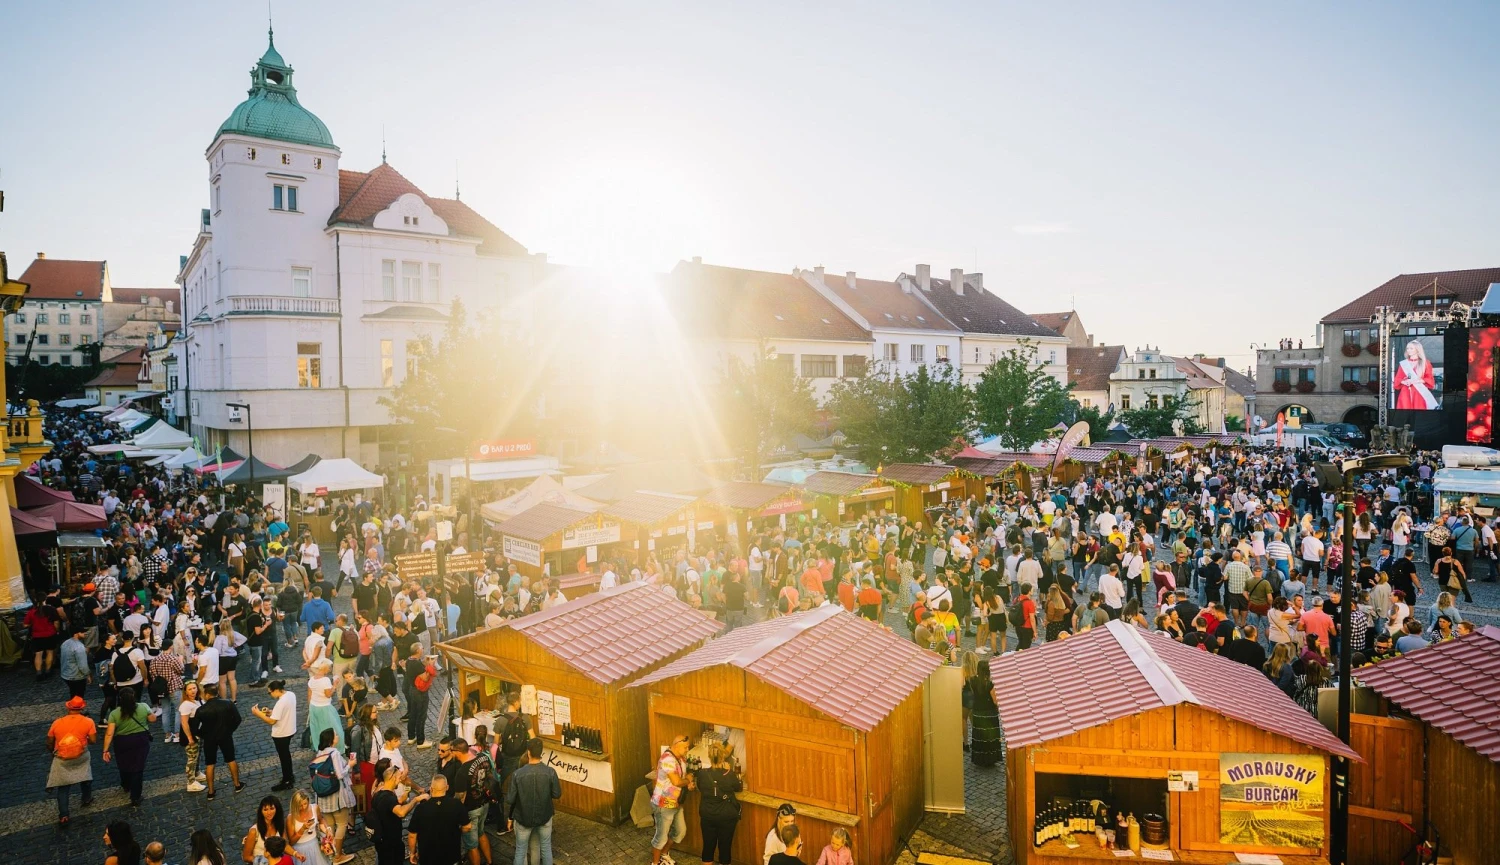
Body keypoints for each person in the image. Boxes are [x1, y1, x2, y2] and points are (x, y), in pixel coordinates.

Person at [506, 738, 561, 865]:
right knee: (546, 848)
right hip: (545, 816)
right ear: (541, 752)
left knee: (521, 850)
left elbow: (510, 799)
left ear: (528, 752)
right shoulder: (550, 772)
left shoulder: (517, 774)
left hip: (523, 818)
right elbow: (557, 794)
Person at [102, 686, 159, 807]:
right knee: (138, 767)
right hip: (140, 740)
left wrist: (105, 750)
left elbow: (109, 733)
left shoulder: (114, 713)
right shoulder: (143, 706)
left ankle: (126, 784)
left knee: (123, 763)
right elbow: (153, 719)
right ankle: (135, 797)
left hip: (122, 741)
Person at [46, 695, 97, 826]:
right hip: (81, 755)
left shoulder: (57, 722)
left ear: (68, 707)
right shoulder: (88, 721)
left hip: (62, 757)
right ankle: (86, 798)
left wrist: (52, 752)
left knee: (63, 787)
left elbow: (50, 741)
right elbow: (93, 740)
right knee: (85, 777)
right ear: (82, 708)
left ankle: (63, 815)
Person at [311, 727, 357, 864]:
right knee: (342, 824)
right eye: (336, 734)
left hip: (323, 798)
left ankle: (332, 853)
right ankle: (338, 856)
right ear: (331, 739)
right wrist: (350, 764)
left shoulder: (319, 753)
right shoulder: (334, 753)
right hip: (336, 796)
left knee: (329, 826)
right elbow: (339, 774)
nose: (338, 736)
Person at [694, 741, 742, 865]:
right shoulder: (729, 774)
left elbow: (699, 787)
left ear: (709, 757)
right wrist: (729, 770)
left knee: (708, 846)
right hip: (726, 816)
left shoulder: (702, 774)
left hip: (707, 815)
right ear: (723, 757)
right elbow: (738, 787)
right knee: (725, 848)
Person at [194, 682, 245, 799]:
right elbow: (237, 719)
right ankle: (237, 784)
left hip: (209, 739)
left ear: (207, 695)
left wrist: (203, 734)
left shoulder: (201, 710)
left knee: (210, 764)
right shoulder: (228, 704)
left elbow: (195, 728)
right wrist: (229, 730)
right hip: (225, 736)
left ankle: (211, 791)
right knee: (231, 759)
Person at [371, 759, 427, 865]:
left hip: (382, 841)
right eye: (399, 777)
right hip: (390, 843)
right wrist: (416, 800)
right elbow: (401, 812)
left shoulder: (378, 794)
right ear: (393, 778)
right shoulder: (388, 798)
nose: (400, 780)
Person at [409, 774, 472, 865]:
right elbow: (468, 827)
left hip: (428, 858)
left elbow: (412, 835)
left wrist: (412, 853)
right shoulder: (456, 804)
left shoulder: (421, 809)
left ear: (431, 789)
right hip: (451, 856)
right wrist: (457, 831)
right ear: (447, 787)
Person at [652, 734, 694, 865]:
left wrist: (687, 783)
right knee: (661, 837)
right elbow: (676, 781)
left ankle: (664, 854)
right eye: (686, 747)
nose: (688, 750)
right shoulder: (667, 760)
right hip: (663, 803)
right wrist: (688, 780)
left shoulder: (681, 758)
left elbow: (682, 774)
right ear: (677, 744)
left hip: (676, 803)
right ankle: (654, 863)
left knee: (680, 832)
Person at [251, 679, 299, 791]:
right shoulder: (291, 695)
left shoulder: (280, 702)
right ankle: (289, 776)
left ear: (276, 690)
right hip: (290, 729)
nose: (270, 695)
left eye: (270, 692)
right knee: (286, 755)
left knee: (284, 757)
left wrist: (258, 714)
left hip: (281, 733)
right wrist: (270, 712)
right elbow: (281, 713)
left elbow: (272, 721)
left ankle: (286, 780)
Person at [967, 659, 1001, 767]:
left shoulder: (972, 680)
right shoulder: (990, 683)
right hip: (990, 712)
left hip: (977, 712)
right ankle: (991, 758)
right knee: (991, 736)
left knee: (979, 735)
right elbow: (995, 700)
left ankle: (979, 758)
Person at [286, 789, 332, 865]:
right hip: (301, 850)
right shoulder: (291, 818)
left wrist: (327, 830)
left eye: (305, 804)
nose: (303, 807)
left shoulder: (315, 808)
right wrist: (302, 829)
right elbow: (292, 842)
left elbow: (321, 820)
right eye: (300, 806)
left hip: (316, 846)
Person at [306, 658, 342, 753]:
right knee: (333, 729)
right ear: (326, 668)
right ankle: (334, 747)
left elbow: (309, 695)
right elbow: (328, 695)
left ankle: (319, 746)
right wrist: (334, 685)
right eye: (330, 668)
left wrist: (310, 708)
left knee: (317, 729)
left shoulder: (312, 679)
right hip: (324, 708)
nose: (330, 670)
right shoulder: (325, 680)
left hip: (314, 707)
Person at [1392, 339, 1438, 410]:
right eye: (1407, 348)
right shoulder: (1404, 364)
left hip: (1419, 392)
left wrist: (1417, 381)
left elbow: (1429, 379)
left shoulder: (1425, 363)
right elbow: (1397, 379)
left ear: (1417, 350)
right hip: (1405, 392)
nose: (1409, 350)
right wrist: (1403, 381)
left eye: (1411, 348)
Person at [243, 796, 289, 865]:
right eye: (265, 810)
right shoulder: (254, 831)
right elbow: (246, 857)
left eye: (272, 808)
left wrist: (295, 854)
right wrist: (264, 862)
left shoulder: (280, 825)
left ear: (277, 809)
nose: (269, 812)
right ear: (261, 811)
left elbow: (285, 846)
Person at [60, 622, 93, 699]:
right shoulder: (79, 647)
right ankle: (76, 710)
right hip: (76, 676)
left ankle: (72, 709)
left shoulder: (65, 643)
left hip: (66, 675)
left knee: (73, 694)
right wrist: (88, 674)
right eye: (82, 632)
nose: (85, 633)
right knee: (78, 696)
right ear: (76, 633)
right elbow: (83, 666)